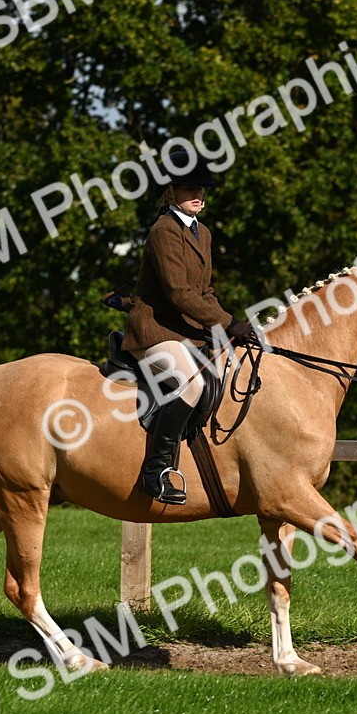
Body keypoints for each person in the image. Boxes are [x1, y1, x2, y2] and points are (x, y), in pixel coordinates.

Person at [121, 149, 256, 504]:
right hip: (154, 330)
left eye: (202, 189)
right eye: (188, 189)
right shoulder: (164, 230)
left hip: (185, 330)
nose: (197, 195)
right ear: (170, 192)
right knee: (193, 386)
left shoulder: (203, 233)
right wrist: (228, 323)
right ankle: (155, 472)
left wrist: (229, 329)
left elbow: (204, 292)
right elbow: (179, 294)